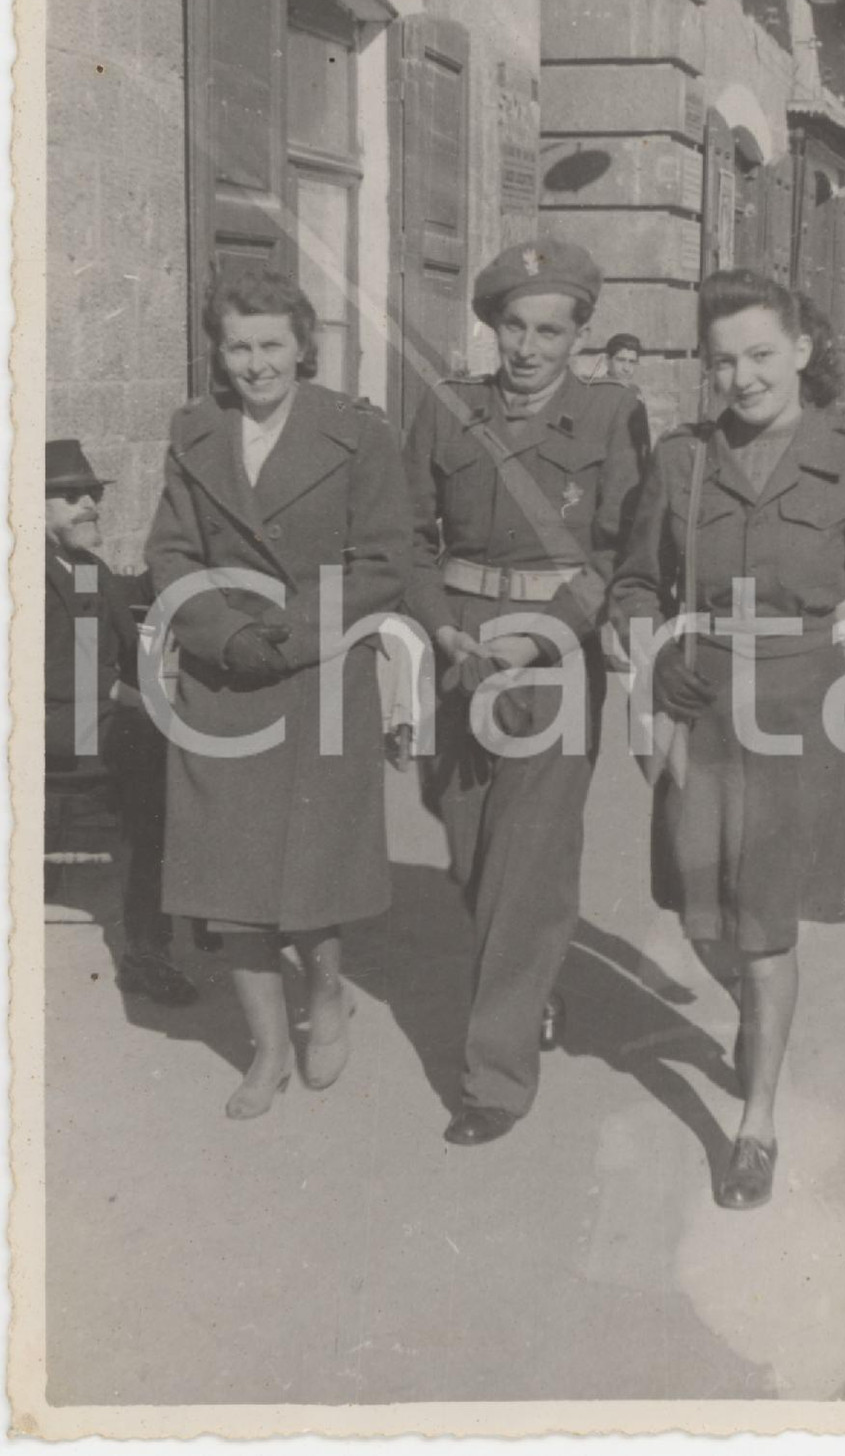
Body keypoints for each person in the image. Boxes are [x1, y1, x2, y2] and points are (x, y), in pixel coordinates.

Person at [609, 269, 845, 1210]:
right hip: (700, 713)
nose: (741, 379)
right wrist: (654, 654)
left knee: (765, 924)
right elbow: (631, 585)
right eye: (722, 362)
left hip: (804, 713)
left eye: (758, 355)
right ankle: (754, 1014)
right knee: (703, 917)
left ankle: (756, 1126)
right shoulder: (681, 462)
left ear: (800, 350)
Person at [145, 271, 411, 1119]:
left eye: (270, 344)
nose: (255, 363)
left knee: (311, 868)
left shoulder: (357, 434)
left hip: (320, 671)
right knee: (228, 873)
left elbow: (382, 561)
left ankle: (326, 993)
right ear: (218, 353)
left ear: (303, 345)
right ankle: (265, 1051)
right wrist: (223, 634)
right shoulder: (195, 432)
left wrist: (290, 637)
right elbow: (171, 555)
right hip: (222, 676)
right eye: (238, 346)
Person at [403, 237, 646, 1146]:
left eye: (552, 330)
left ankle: (494, 1079)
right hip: (461, 650)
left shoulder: (614, 414)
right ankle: (532, 984)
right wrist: (437, 622)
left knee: (526, 865)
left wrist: (550, 633)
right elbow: (405, 537)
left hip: (556, 661)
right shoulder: (447, 410)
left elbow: (624, 549)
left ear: (580, 334)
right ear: (492, 325)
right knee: (472, 850)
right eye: (516, 326)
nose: (530, 347)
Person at [45, 440, 198, 1005]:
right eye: (69, 496)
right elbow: (47, 671)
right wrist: (130, 697)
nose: (89, 504)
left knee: (178, 744)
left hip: (88, 716)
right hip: (43, 727)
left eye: (93, 493)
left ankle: (189, 912)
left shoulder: (82, 566)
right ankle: (148, 949)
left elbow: (116, 609)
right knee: (160, 762)